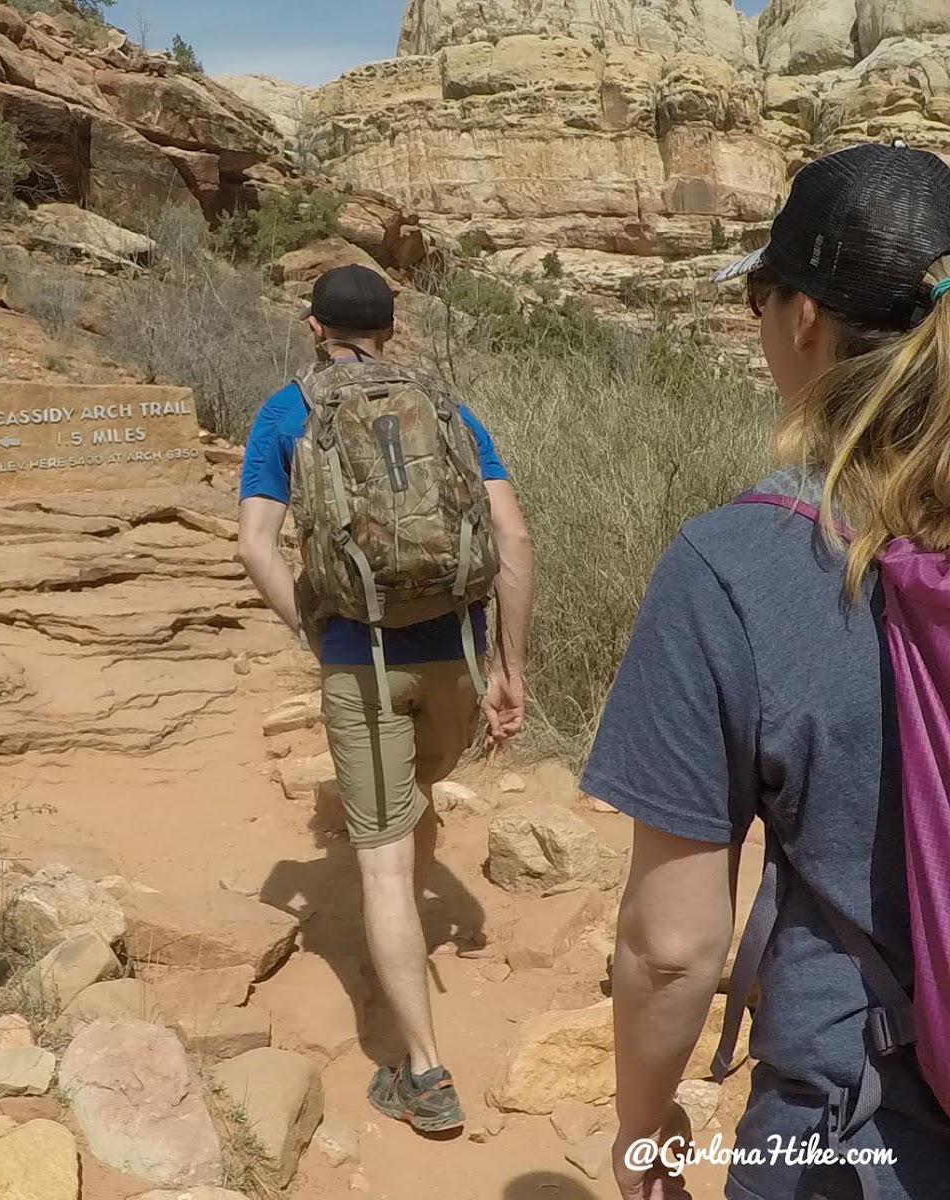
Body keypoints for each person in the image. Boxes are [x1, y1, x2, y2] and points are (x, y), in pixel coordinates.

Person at [586, 142, 950, 1200]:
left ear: (801, 318)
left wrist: (641, 1134)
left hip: (857, 1135)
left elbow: (669, 946)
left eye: (758, 297)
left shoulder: (733, 564)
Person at [238, 264, 534, 1133]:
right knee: (417, 808)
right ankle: (414, 996)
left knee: (381, 863)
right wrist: (507, 665)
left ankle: (425, 1072)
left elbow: (255, 545)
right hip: (456, 658)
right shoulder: (448, 408)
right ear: (392, 331)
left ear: (312, 327)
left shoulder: (286, 411)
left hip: (358, 656)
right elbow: (512, 535)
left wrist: (313, 629)